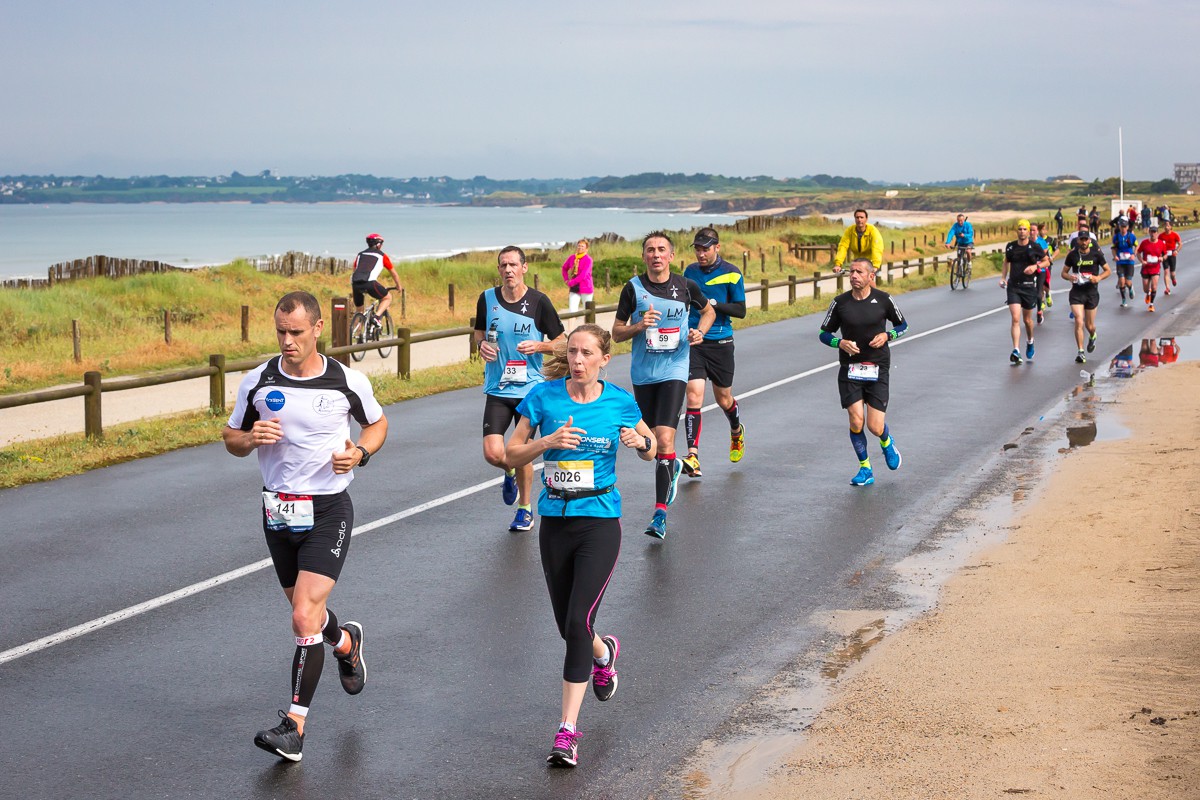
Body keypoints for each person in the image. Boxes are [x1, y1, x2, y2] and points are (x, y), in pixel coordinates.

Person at [223, 291, 387, 762]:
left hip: (328, 511)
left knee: (301, 618)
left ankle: (293, 727)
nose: (288, 340)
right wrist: (249, 438)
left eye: (296, 331)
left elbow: (377, 425)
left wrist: (360, 452)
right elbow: (231, 437)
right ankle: (347, 642)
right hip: (277, 513)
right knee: (309, 617)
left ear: (317, 329)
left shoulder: (345, 380)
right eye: (281, 331)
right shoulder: (258, 379)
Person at [504, 324, 657, 768]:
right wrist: (544, 443)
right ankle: (603, 652)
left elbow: (651, 447)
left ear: (604, 358)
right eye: (572, 352)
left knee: (576, 620)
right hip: (555, 522)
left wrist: (639, 442)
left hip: (600, 522)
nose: (577, 360)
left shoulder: (621, 402)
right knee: (568, 627)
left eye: (586, 353)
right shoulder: (543, 397)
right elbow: (509, 455)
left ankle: (567, 731)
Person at [611, 231, 715, 539]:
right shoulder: (632, 289)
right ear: (643, 257)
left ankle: (659, 514)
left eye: (661, 250)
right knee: (653, 446)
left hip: (675, 369)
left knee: (666, 441)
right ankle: (672, 467)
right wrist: (639, 326)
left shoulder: (685, 286)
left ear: (670, 256)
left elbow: (708, 310)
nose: (655, 254)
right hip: (643, 375)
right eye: (649, 250)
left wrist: (700, 332)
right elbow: (616, 333)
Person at [474, 246, 566, 531]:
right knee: (493, 453)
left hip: (530, 391)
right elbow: (478, 331)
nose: (508, 270)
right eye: (503, 265)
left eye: (513, 265)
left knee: (521, 449)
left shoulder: (539, 302)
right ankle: (508, 470)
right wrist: (481, 346)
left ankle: (525, 510)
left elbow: (563, 343)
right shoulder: (487, 299)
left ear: (524, 268)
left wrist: (541, 345)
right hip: (498, 389)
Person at [818, 258, 909, 486]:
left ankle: (887, 442)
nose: (853, 275)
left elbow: (903, 326)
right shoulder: (840, 303)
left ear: (871, 276)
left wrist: (888, 335)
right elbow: (823, 334)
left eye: (859, 272)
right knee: (857, 421)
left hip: (878, 368)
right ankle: (865, 468)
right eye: (851, 272)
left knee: (874, 426)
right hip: (850, 368)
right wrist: (839, 343)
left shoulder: (884, 300)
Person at [681, 227, 747, 478]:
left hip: (721, 342)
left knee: (723, 399)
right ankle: (693, 456)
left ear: (717, 247)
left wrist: (714, 305)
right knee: (694, 396)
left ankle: (735, 429)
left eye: (705, 249)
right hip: (695, 341)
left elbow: (741, 311)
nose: (701, 254)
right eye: (697, 249)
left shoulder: (731, 273)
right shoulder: (690, 272)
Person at [1000, 220, 1048, 364]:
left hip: (1028, 287)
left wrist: (1035, 267)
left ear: (1028, 231)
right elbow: (1005, 262)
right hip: (1014, 286)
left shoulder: (1035, 247)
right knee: (1015, 318)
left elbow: (1047, 261)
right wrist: (1003, 278)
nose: (1022, 231)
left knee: (1027, 320)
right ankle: (1016, 350)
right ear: (1017, 231)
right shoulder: (1011, 247)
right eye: (1019, 229)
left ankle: (1030, 340)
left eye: (1024, 229)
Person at [1060, 231, 1110, 363]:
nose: (1083, 242)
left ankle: (1093, 335)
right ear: (1077, 241)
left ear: (1089, 241)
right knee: (1078, 320)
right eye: (1081, 239)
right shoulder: (1072, 255)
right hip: (1076, 292)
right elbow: (1063, 273)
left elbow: (1108, 271)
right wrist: (1070, 277)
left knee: (1090, 325)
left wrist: (1098, 278)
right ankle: (1080, 351)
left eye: (1085, 239)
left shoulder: (1096, 254)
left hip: (1091, 293)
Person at [351, 233, 400, 321]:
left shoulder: (360, 255)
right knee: (387, 297)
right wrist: (398, 286)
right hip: (370, 283)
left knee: (359, 311)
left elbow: (354, 269)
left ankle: (356, 334)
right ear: (378, 244)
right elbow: (394, 273)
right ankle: (376, 318)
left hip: (356, 283)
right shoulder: (382, 256)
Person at [1137, 224, 1168, 312]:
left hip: (1155, 268)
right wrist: (1142, 261)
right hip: (1146, 268)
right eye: (1151, 232)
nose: (1153, 234)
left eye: (1155, 232)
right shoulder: (1144, 243)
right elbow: (1138, 253)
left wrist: (1162, 258)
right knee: (1145, 289)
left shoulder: (1161, 243)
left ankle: (1151, 304)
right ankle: (1148, 293)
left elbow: (1165, 254)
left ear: (1157, 233)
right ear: (1149, 232)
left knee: (1154, 286)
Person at [1110, 218, 1139, 308]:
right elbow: (1113, 248)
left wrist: (1134, 254)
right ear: (1119, 227)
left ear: (1127, 227)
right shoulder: (1116, 237)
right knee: (1121, 281)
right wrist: (1115, 256)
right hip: (1120, 262)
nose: (1123, 229)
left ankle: (1130, 288)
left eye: (1125, 227)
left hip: (1129, 261)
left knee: (1128, 282)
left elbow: (1137, 245)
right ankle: (1124, 300)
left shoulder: (1131, 236)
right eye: (1122, 227)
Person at [562, 239, 595, 314]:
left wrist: (571, 282)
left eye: (582, 246)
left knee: (587, 311)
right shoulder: (572, 258)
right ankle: (571, 326)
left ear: (586, 248)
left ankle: (588, 326)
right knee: (572, 311)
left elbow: (583, 275)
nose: (580, 247)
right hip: (574, 287)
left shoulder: (588, 259)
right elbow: (564, 268)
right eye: (579, 245)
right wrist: (566, 279)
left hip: (585, 287)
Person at [1034, 223, 1056, 323]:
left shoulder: (1048, 240)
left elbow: (1055, 250)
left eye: (1043, 230)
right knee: (1039, 287)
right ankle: (1041, 301)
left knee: (1045, 285)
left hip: (1046, 264)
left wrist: (1051, 258)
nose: (1042, 232)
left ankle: (1047, 294)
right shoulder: (1029, 241)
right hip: (1035, 266)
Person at [1159, 218, 1181, 293]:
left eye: (1168, 225)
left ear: (1171, 227)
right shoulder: (1161, 236)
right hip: (1164, 254)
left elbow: (1180, 244)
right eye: (1165, 225)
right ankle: (1167, 288)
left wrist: (1176, 250)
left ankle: (1173, 278)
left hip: (1172, 254)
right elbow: (1158, 245)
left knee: (1172, 273)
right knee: (1166, 272)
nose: (1166, 227)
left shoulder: (1174, 235)